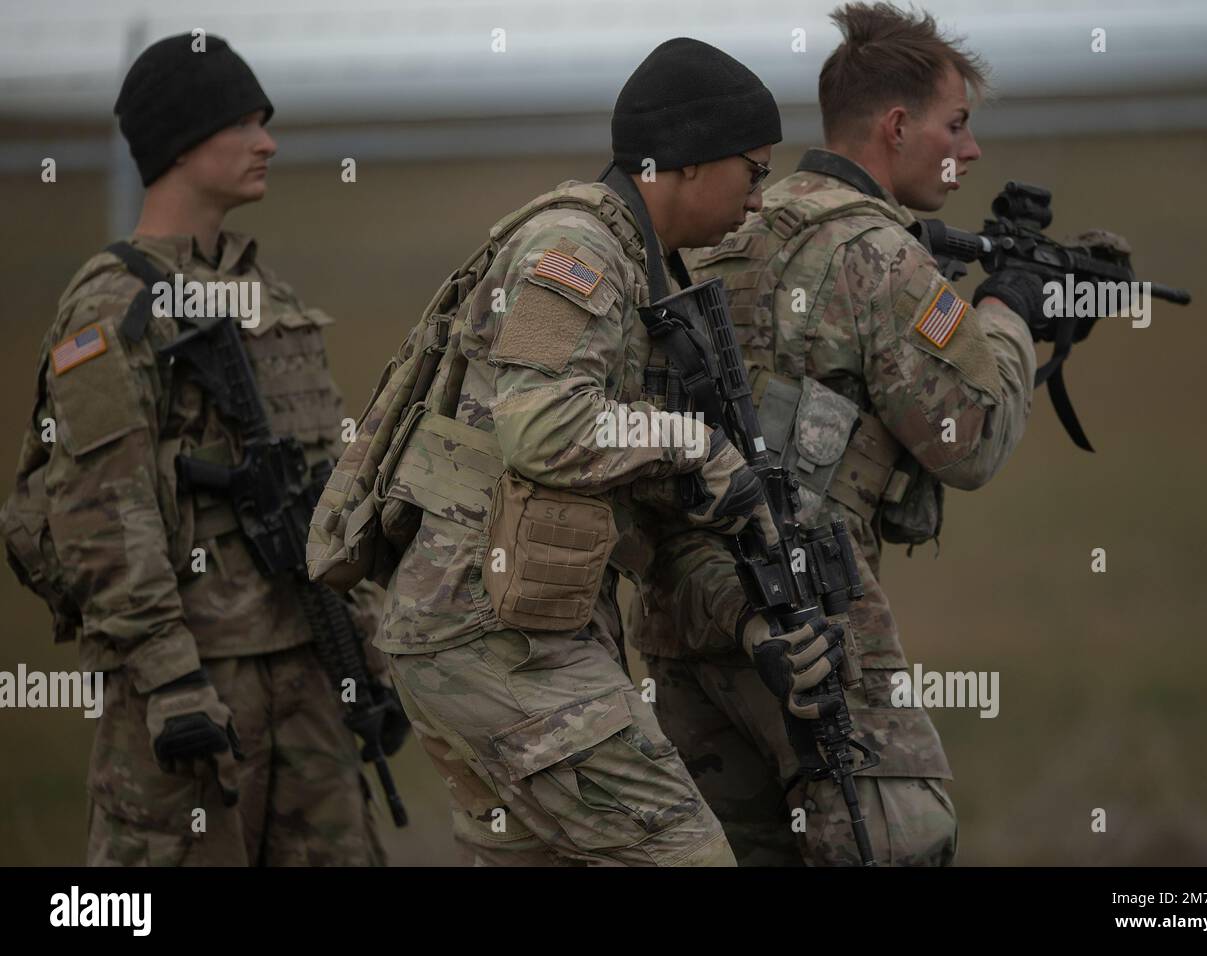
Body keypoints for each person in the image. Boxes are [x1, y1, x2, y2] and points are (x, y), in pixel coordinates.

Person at [368, 37, 802, 866]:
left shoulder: (638, 262)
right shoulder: (576, 254)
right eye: (753, 170)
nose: (758, 198)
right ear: (687, 162)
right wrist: (697, 447)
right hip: (487, 632)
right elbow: (540, 426)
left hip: (491, 622)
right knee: (685, 852)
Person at [630, 2, 1043, 865]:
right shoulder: (880, 256)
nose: (968, 151)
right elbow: (970, 441)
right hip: (805, 619)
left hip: (686, 617)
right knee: (898, 843)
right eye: (955, 125)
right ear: (896, 126)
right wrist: (1008, 312)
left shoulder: (728, 229)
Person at [0, 33, 400, 865]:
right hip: (191, 684)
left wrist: (366, 653)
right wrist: (171, 679)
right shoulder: (112, 308)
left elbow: (320, 490)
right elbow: (102, 514)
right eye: (246, 123)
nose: (269, 142)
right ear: (183, 142)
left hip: (306, 666)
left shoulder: (265, 294)